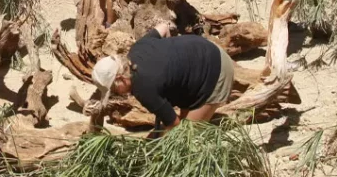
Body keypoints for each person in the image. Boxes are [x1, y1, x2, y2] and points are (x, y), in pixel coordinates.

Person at [91, 22, 235, 137]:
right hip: (205, 49)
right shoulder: (136, 49)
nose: (118, 95)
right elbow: (164, 27)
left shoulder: (143, 88)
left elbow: (174, 127)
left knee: (187, 138)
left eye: (115, 90)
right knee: (183, 125)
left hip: (216, 71)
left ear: (120, 79)